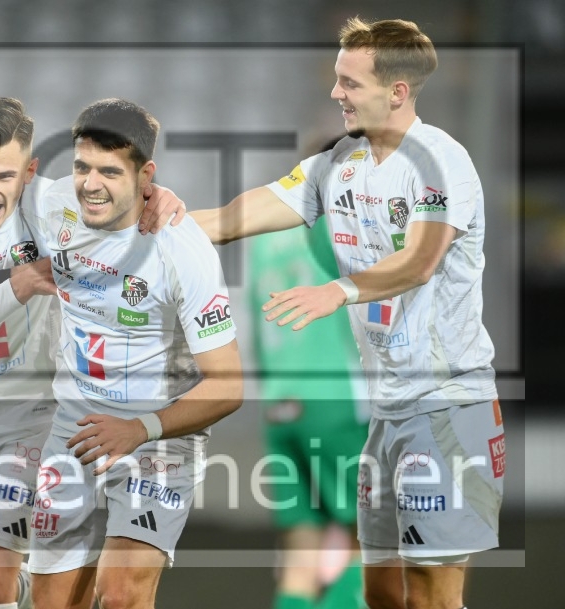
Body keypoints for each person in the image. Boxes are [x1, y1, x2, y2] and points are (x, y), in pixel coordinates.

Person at [192, 18, 503, 609]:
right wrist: (155, 224)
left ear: (397, 91)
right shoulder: (338, 165)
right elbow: (235, 216)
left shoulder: (442, 161)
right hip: (385, 412)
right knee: (379, 589)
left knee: (433, 596)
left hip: (446, 406)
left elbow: (421, 260)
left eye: (350, 82)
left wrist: (338, 290)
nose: (336, 92)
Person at [0, 97, 185, 609]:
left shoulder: (55, 205)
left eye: (4, 176)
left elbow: (125, 208)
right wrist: (22, 281)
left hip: (30, 417)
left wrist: (155, 196)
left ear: (29, 172)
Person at [21, 98, 243, 609]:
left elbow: (229, 385)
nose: (90, 184)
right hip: (75, 427)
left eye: (110, 172)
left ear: (146, 175)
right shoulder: (53, 204)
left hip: (158, 436)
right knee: (52, 603)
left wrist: (140, 429)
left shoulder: (182, 250)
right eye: (82, 167)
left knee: (121, 595)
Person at [249, 199, 369, 608]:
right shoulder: (342, 226)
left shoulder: (267, 237)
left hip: (279, 403)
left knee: (300, 562)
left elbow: (257, 327)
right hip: (334, 400)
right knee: (373, 541)